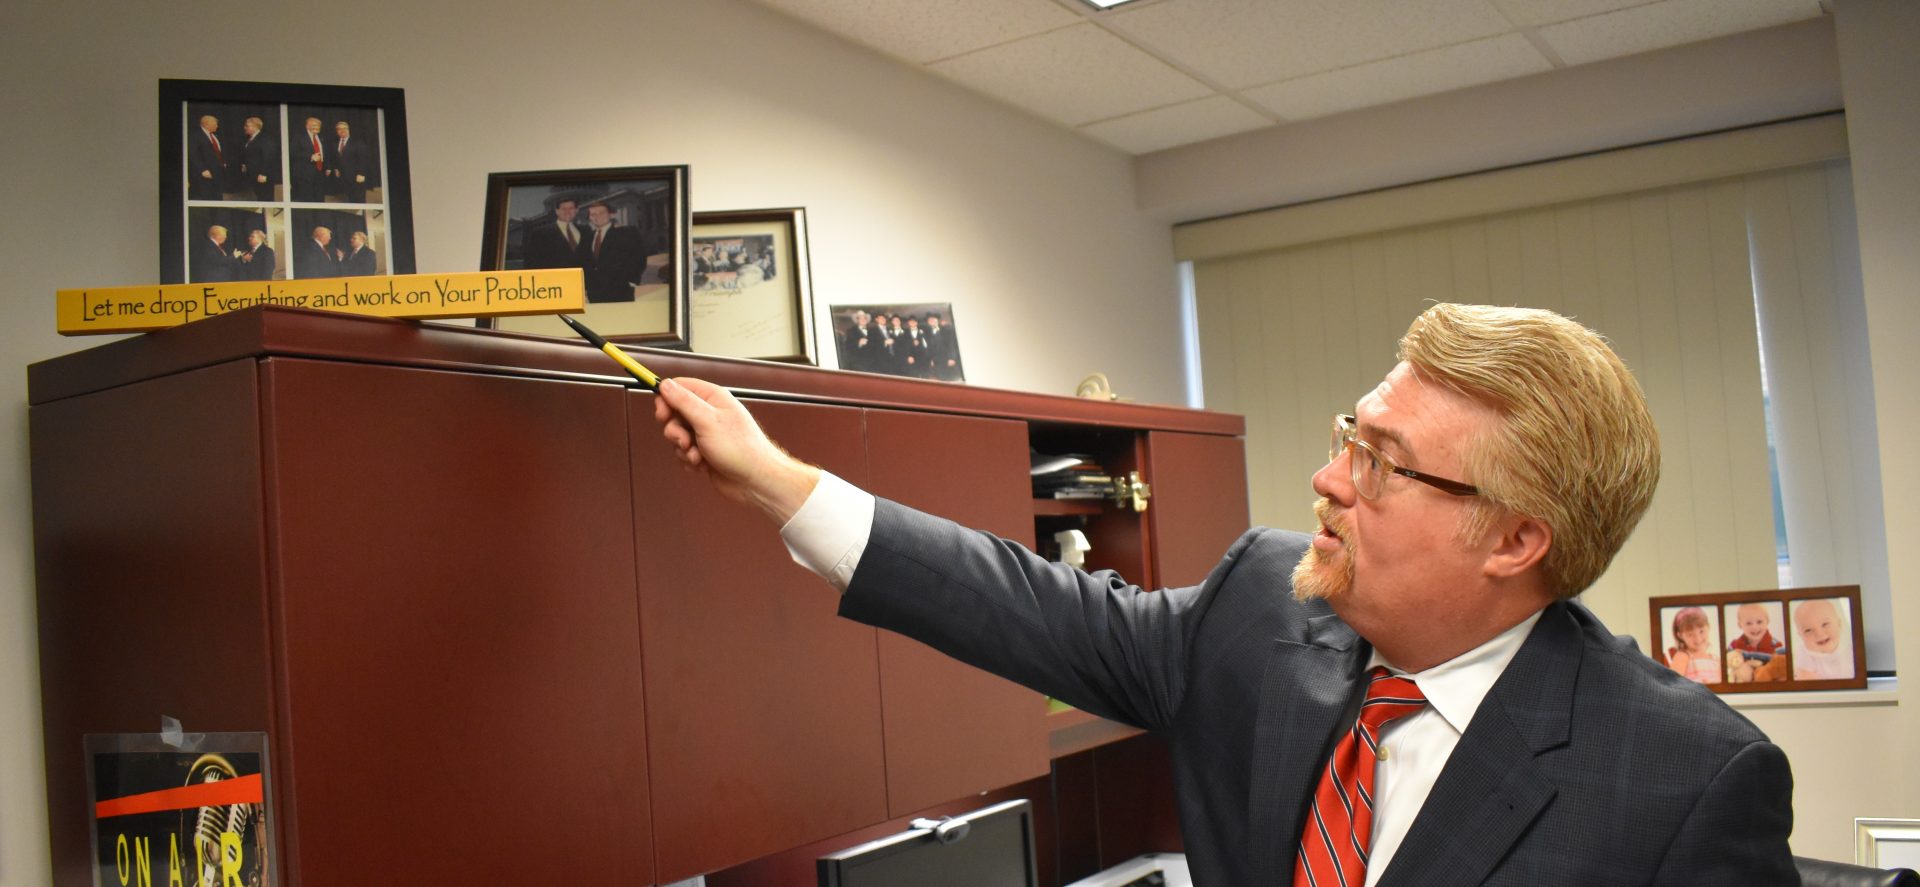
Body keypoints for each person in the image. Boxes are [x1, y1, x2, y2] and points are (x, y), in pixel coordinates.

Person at [650, 302, 1794, 885]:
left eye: (1383, 462)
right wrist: (781, 483)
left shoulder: (1685, 781)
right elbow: (1026, 602)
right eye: (1353, 431)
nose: (1329, 476)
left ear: (1517, 538)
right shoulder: (1258, 608)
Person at [579, 202, 645, 303]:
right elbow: (583, 263)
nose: (598, 217)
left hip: (620, 291)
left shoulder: (626, 232)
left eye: (602, 213)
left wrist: (632, 281)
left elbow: (638, 257)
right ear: (590, 218)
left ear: (610, 214)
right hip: (594, 293)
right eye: (593, 214)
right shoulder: (587, 238)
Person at [1792, 598, 1854, 679]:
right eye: (1808, 630)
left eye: (1825, 624)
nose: (1819, 634)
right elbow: (1806, 680)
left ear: (1839, 624)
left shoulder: (1850, 646)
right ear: (1801, 636)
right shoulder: (1805, 653)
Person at [523, 198, 586, 270]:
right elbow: (531, 263)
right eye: (563, 209)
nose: (568, 212)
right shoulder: (540, 234)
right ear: (557, 211)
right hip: (555, 279)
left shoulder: (585, 231)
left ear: (576, 210)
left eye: (571, 208)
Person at [1664, 607, 1720, 684]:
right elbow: (1672, 684)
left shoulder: (1716, 660)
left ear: (1708, 627)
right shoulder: (1683, 656)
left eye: (1701, 631)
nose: (1698, 638)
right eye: (1690, 634)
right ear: (1680, 636)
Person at [326, 121, 377, 203]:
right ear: (337, 131)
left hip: (356, 175)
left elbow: (363, 159)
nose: (342, 131)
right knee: (349, 196)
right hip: (344, 176)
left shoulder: (358, 142)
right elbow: (335, 158)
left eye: (345, 128)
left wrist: (361, 173)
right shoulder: (334, 143)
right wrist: (336, 168)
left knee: (359, 197)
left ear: (349, 129)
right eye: (339, 129)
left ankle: (361, 213)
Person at [235, 116, 278, 201]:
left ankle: (265, 214)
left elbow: (269, 157)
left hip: (262, 176)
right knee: (258, 196)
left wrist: (263, 173)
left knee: (265, 198)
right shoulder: (249, 139)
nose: (245, 128)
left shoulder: (265, 139)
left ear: (255, 127)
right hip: (253, 175)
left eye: (247, 126)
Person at [188, 115, 227, 201]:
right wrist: (202, 169)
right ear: (206, 124)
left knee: (218, 196)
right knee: (207, 197)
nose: (217, 126)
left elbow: (218, 151)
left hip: (218, 171)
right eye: (215, 124)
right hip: (206, 172)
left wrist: (223, 162)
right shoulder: (196, 136)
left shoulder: (214, 135)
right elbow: (193, 154)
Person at [291, 117, 328, 202]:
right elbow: (293, 152)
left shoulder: (321, 137)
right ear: (307, 126)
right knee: (306, 198)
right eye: (314, 125)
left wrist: (328, 167)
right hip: (304, 173)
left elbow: (326, 153)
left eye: (319, 125)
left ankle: (319, 214)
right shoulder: (298, 137)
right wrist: (310, 157)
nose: (317, 127)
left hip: (320, 171)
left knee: (319, 197)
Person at [924, 312, 960, 381]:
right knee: (940, 378)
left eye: (933, 319)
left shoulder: (946, 329)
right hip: (937, 361)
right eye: (929, 320)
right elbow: (930, 348)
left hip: (946, 359)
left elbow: (951, 344)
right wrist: (932, 359)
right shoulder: (929, 333)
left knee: (948, 378)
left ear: (937, 320)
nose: (931, 321)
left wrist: (951, 358)